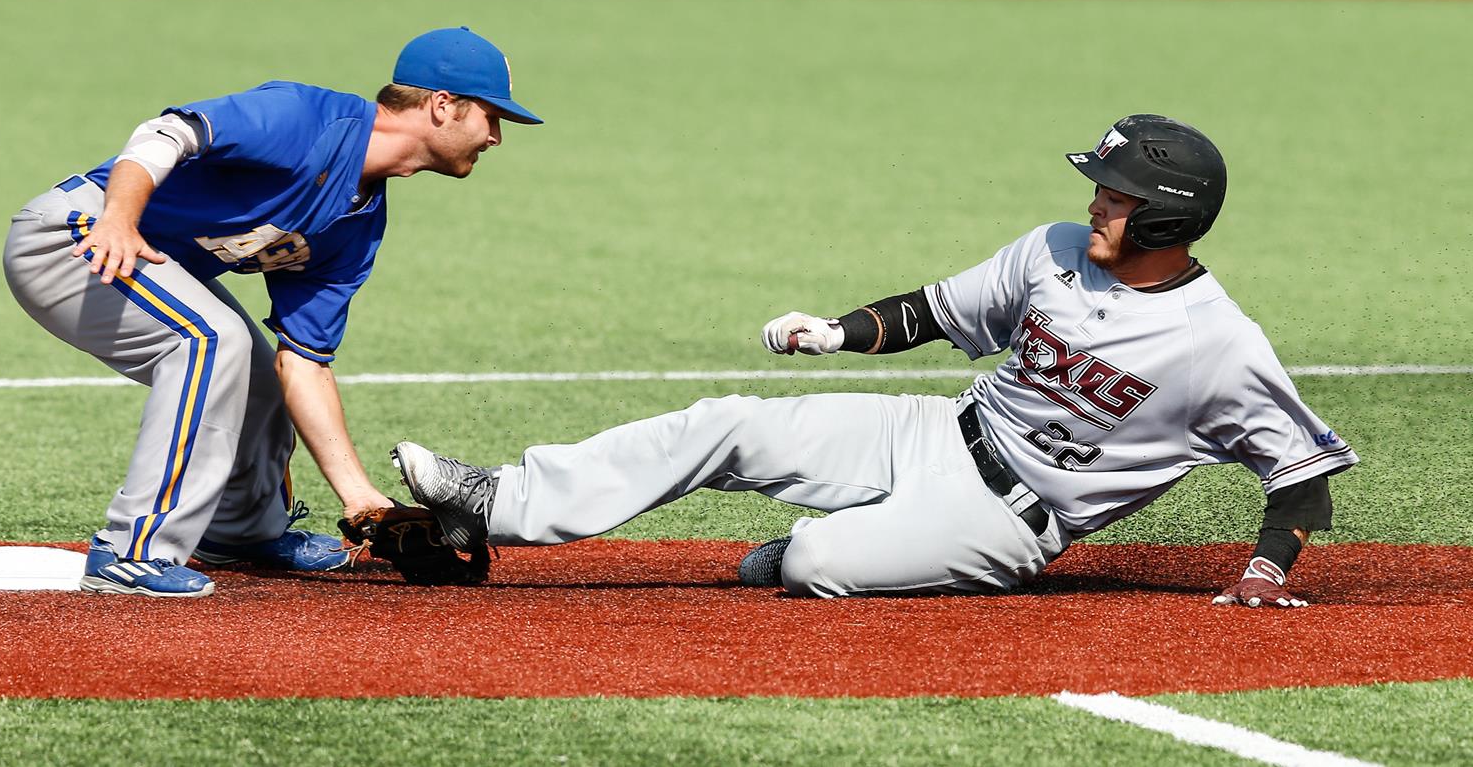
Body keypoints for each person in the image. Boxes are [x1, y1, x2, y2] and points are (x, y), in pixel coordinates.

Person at [390, 114, 1356, 606]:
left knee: (815, 560)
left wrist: (1269, 571)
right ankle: (500, 499)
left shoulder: (1219, 344)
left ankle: (824, 547)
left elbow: (1301, 474)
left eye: (1115, 192)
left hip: (1010, 520)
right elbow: (935, 310)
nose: (1097, 201)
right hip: (939, 428)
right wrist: (833, 332)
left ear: (1167, 213)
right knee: (730, 420)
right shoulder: (1056, 246)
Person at [3, 26, 541, 598]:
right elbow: (165, 133)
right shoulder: (307, 118)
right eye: (492, 116)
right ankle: (132, 549)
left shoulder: (357, 226)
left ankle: (239, 533)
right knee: (211, 342)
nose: (497, 137)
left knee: (260, 374)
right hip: (76, 235)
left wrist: (364, 501)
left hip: (144, 259)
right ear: (442, 106)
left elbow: (304, 366)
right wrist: (119, 218)